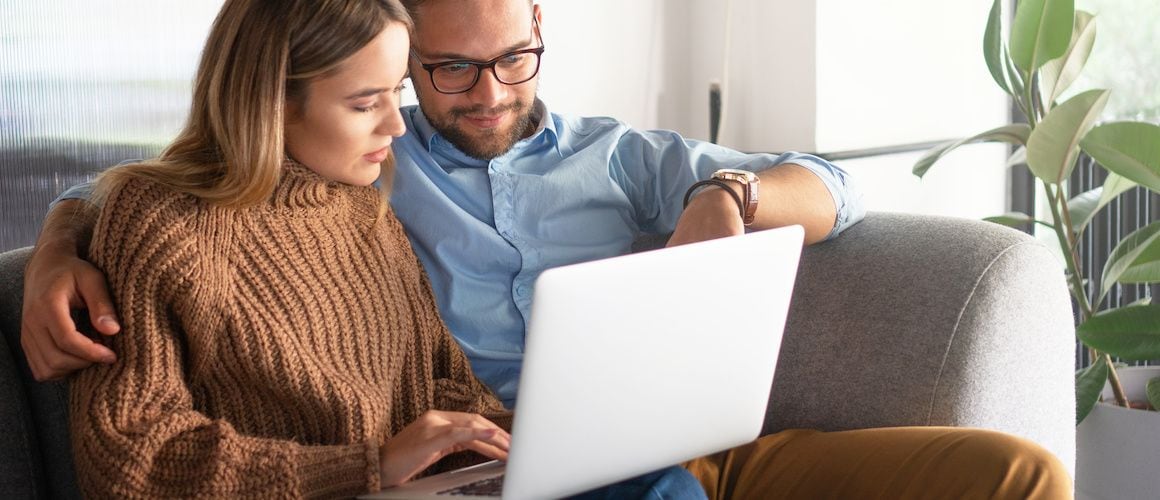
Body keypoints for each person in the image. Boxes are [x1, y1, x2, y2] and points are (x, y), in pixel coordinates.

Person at [24, 0, 1072, 498]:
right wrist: (56, 247)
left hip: (636, 444)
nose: (485, 94)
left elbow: (831, 184)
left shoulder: (610, 159)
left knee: (1013, 473)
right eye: (439, 76)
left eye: (514, 57)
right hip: (478, 469)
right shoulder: (372, 181)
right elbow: (159, 199)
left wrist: (726, 195)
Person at [59, 0, 702, 497]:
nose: (397, 126)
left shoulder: (363, 204)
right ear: (270, 103)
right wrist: (367, 466)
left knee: (652, 481)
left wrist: (524, 436)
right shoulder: (161, 226)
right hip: (342, 486)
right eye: (366, 103)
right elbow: (129, 460)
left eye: (395, 93)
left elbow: (442, 383)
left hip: (422, 487)